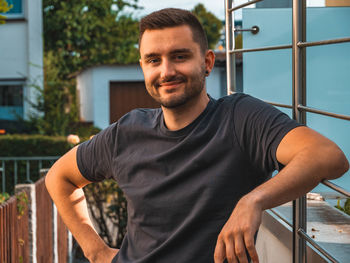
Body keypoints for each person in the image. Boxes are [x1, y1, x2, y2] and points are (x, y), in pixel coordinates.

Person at [45, 8, 349, 263]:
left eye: (179, 56)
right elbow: (59, 177)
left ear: (206, 62)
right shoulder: (126, 133)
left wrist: (253, 200)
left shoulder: (239, 118)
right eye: (153, 60)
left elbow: (327, 156)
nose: (166, 71)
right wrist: (96, 251)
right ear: (143, 67)